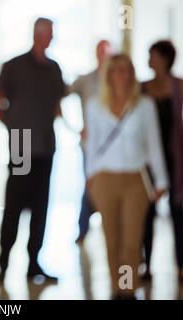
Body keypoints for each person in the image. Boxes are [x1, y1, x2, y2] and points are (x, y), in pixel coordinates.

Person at [85, 54, 168, 299]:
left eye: (125, 70)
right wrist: (90, 176)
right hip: (105, 179)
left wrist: (161, 181)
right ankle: (115, 288)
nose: (121, 75)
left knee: (132, 242)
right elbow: (92, 146)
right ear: (108, 75)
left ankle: (127, 289)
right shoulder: (94, 106)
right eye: (116, 70)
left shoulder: (144, 106)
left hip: (135, 180)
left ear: (132, 75)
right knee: (111, 240)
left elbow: (154, 146)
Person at [0, 17, 65, 284]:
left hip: (46, 146)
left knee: (40, 207)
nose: (51, 38)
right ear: (37, 34)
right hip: (21, 144)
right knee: (14, 205)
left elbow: (58, 105)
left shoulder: (54, 69)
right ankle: (3, 264)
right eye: (48, 33)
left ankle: (34, 265)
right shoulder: (13, 66)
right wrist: (13, 127)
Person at [141, 40, 183, 282]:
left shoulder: (178, 86)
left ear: (164, 59)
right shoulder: (142, 88)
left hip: (174, 157)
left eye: (152, 55)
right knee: (146, 213)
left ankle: (180, 265)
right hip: (147, 159)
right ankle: (145, 265)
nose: (149, 59)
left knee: (178, 212)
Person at [69, 40, 114, 244]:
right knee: (90, 186)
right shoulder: (85, 80)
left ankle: (111, 230)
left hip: (113, 148)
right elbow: (61, 95)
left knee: (109, 187)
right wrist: (74, 127)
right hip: (89, 145)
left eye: (107, 51)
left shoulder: (117, 80)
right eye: (100, 51)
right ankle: (83, 229)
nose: (103, 55)